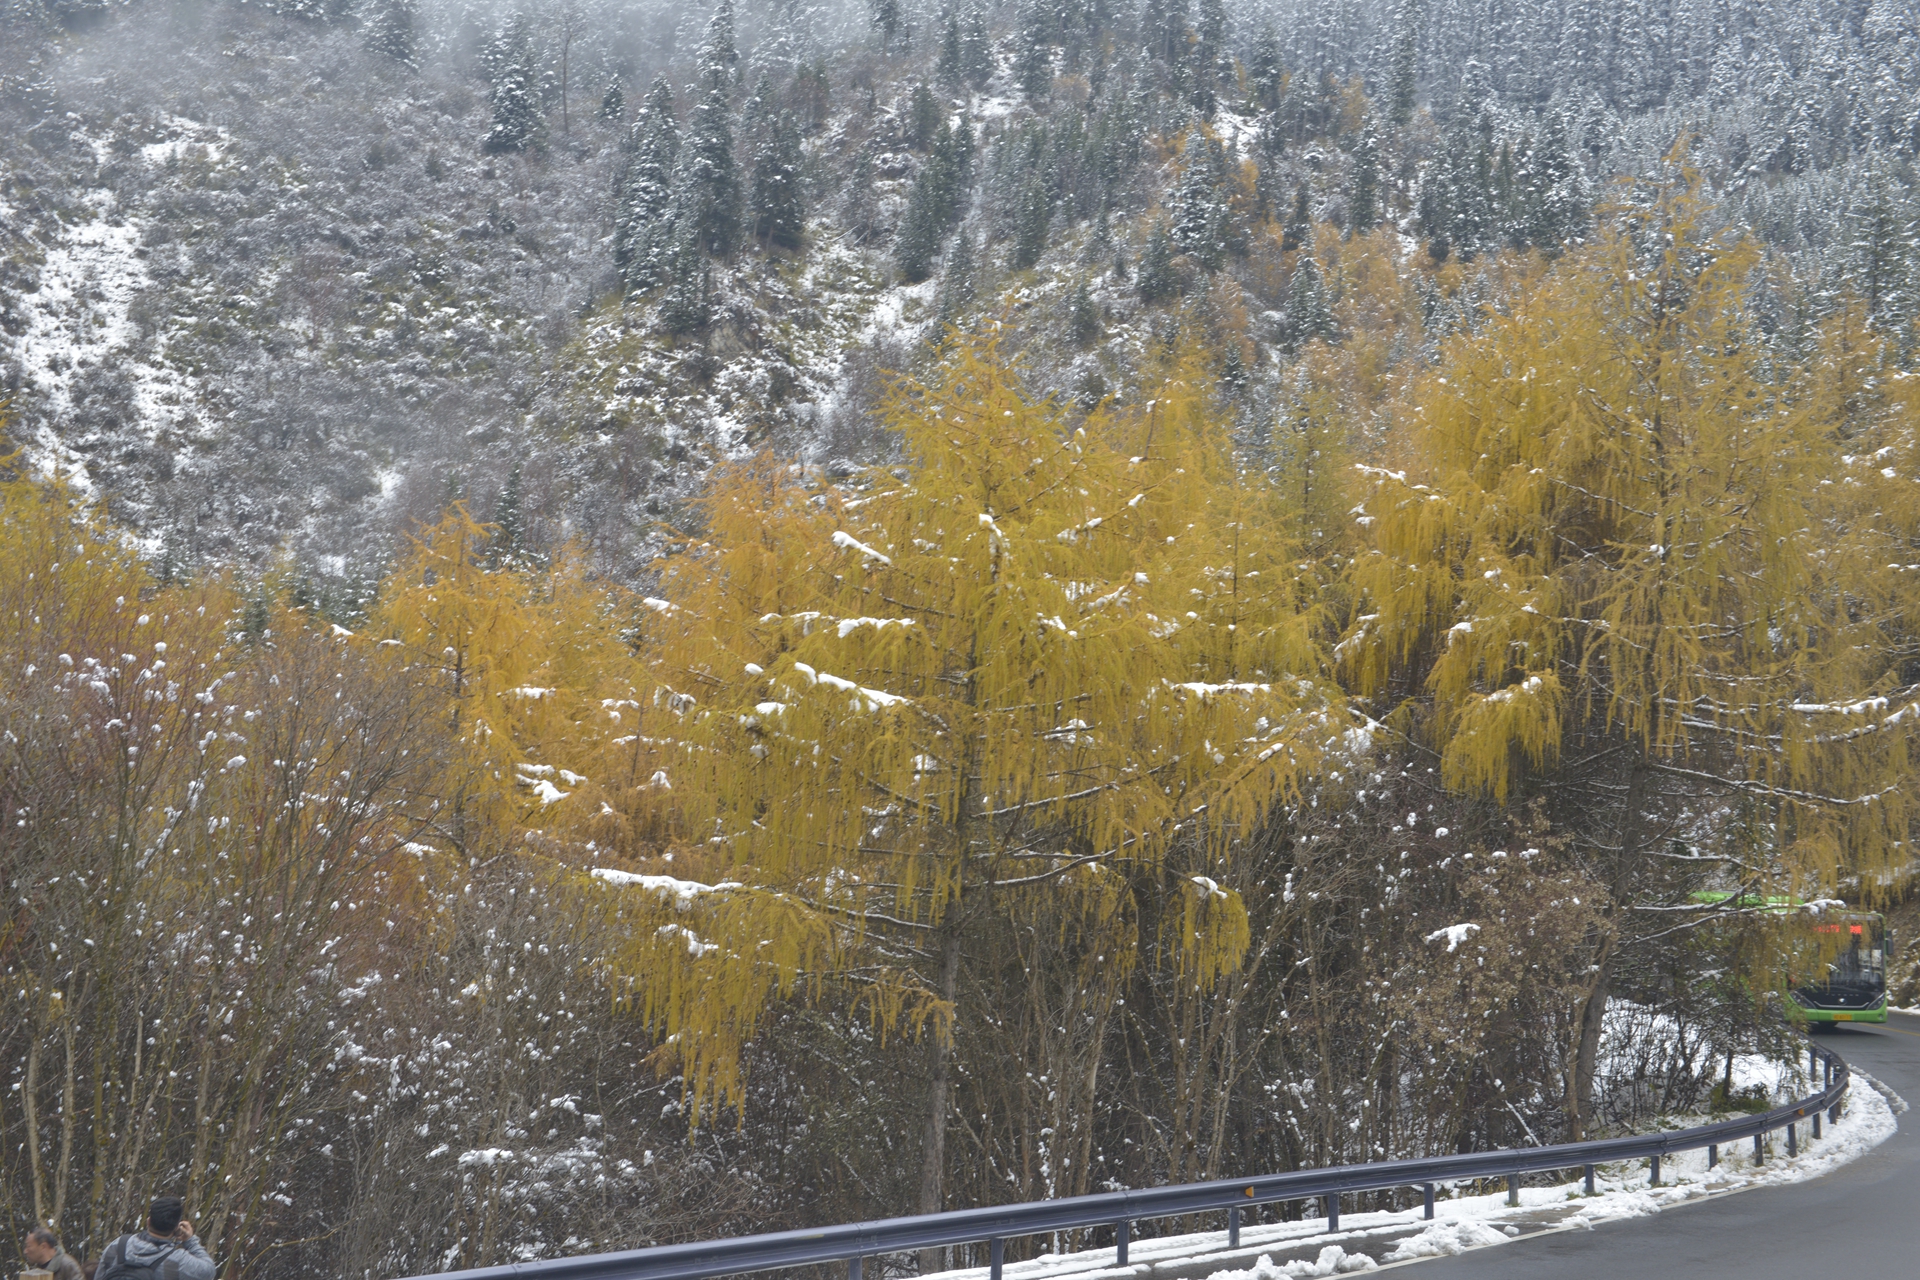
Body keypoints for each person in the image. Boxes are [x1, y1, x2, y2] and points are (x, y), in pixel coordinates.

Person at [96, 1198, 214, 1280]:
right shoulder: (177, 1261)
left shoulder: (118, 1245)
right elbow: (209, 1271)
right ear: (176, 1228)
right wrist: (190, 1241)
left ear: (148, 1221)